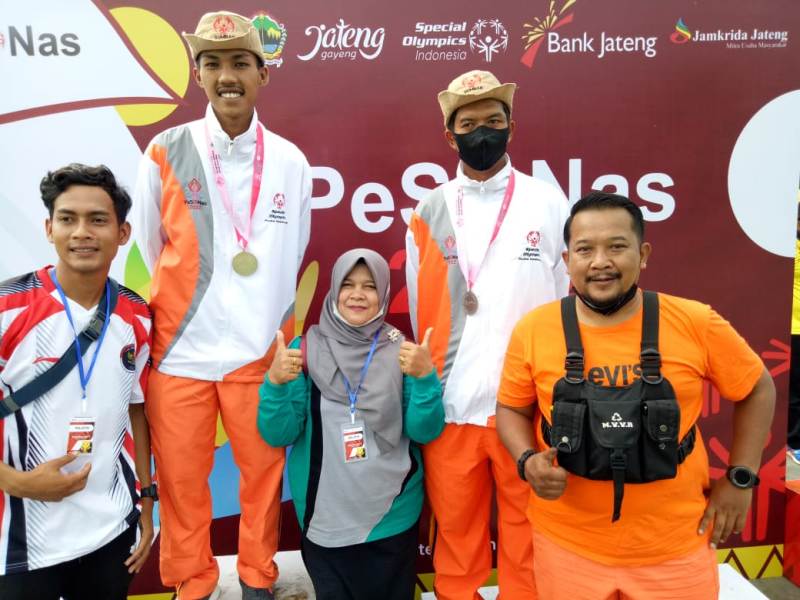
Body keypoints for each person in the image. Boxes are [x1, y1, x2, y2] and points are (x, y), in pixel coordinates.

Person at [496, 191, 776, 600]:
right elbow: (511, 408)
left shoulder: (694, 321)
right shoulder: (534, 329)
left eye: (617, 247)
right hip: (566, 548)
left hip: (675, 549)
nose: (600, 262)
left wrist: (741, 477)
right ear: (567, 260)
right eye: (585, 249)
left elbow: (757, 387)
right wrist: (526, 460)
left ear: (643, 254)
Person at [132, 10, 312, 600]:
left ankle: (258, 575)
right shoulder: (164, 149)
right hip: (180, 351)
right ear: (198, 75)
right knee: (182, 481)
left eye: (240, 63)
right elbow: (150, 246)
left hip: (259, 353)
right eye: (212, 63)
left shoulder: (289, 160)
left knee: (263, 477)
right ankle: (192, 580)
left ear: (263, 74)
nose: (226, 75)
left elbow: (294, 250)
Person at [404, 69, 569, 599]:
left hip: (525, 407)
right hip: (451, 405)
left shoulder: (547, 203)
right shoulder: (428, 210)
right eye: (469, 124)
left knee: (526, 529)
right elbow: (420, 307)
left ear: (511, 128)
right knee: (455, 532)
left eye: (494, 122)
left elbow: (565, 303)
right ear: (450, 136)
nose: (482, 133)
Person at [0, 164, 154, 599]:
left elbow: (136, 410)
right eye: (68, 218)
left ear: (122, 233)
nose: (82, 232)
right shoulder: (8, 308)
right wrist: (15, 482)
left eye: (98, 219)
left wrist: (146, 503)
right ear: (49, 228)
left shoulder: (137, 314)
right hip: (21, 540)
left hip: (111, 531)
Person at [258, 249, 445, 600]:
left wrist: (424, 380)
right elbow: (278, 433)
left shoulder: (404, 352)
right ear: (334, 289)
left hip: (393, 517)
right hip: (326, 521)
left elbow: (425, 431)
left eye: (369, 286)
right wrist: (276, 385)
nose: (358, 294)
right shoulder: (303, 352)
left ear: (383, 293)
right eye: (348, 284)